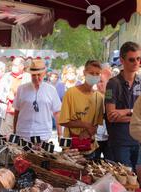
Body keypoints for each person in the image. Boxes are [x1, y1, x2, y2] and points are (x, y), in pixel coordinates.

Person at [105, 41, 141, 171]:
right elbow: (111, 116)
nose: (136, 63)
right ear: (122, 60)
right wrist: (136, 116)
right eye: (131, 60)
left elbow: (118, 114)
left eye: (138, 59)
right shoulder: (113, 83)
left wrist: (126, 112)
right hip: (120, 142)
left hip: (138, 140)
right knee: (125, 183)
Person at [59, 60, 104, 158]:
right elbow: (63, 121)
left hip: (89, 148)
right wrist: (85, 124)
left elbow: (96, 125)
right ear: (84, 73)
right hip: (70, 148)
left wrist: (88, 131)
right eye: (91, 73)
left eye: (97, 74)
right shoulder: (70, 93)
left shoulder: (99, 97)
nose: (94, 76)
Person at [13, 59, 62, 142]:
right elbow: (16, 112)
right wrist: (14, 131)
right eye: (33, 75)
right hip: (23, 134)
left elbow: (57, 113)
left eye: (39, 75)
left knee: (40, 155)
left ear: (44, 74)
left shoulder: (51, 90)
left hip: (43, 135)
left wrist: (60, 134)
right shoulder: (22, 89)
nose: (36, 77)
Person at [0, 57, 31, 136]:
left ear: (22, 66)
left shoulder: (28, 77)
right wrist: (7, 96)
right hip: (8, 112)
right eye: (12, 65)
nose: (13, 67)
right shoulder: (6, 76)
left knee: (20, 138)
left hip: (22, 114)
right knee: (5, 136)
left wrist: (16, 98)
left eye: (15, 65)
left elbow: (31, 95)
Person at [95, 65, 113, 159]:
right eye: (97, 81)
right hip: (95, 139)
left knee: (111, 165)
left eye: (101, 81)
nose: (98, 84)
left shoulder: (115, 96)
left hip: (110, 138)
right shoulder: (93, 96)